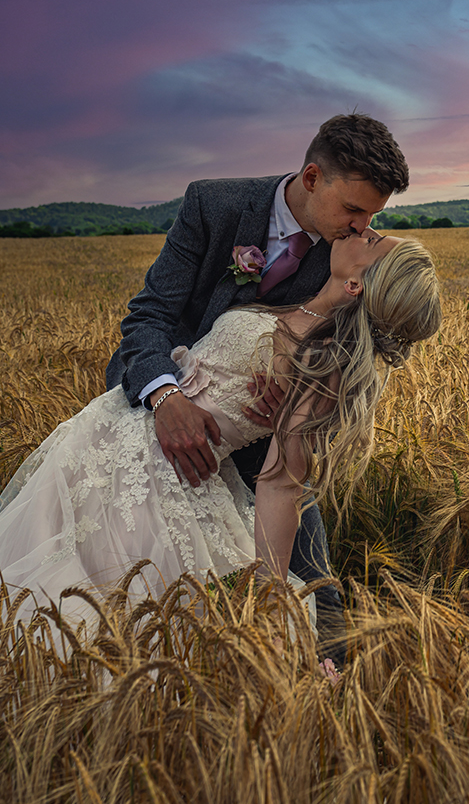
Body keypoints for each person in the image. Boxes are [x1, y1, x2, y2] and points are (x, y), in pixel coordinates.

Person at [0, 234, 441, 644]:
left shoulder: (323, 366)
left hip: (154, 484)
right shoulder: (299, 306)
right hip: (103, 440)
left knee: (81, 611)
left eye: (374, 241)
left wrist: (269, 594)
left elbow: (282, 481)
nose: (364, 230)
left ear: (356, 286)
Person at [105, 113, 410, 659]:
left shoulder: (351, 258)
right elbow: (149, 316)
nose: (365, 226)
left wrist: (290, 395)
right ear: (313, 177)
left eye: (374, 214)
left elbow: (342, 353)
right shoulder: (213, 205)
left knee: (314, 585)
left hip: (263, 432)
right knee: (126, 571)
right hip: (160, 410)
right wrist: (165, 397)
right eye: (355, 209)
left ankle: (325, 693)